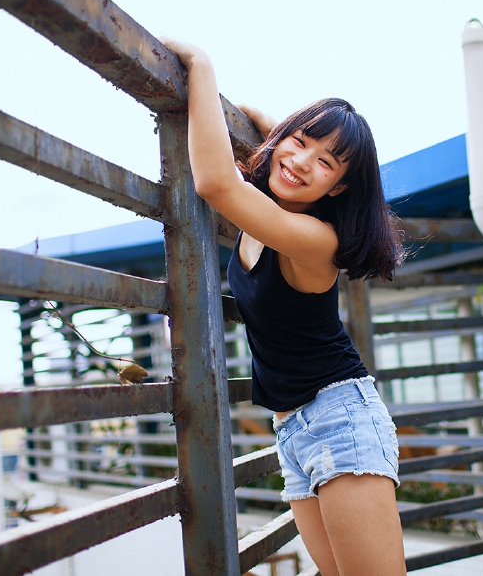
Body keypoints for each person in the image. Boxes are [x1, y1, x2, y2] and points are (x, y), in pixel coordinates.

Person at [162, 38, 407, 576]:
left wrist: (200, 65)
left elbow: (215, 182)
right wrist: (267, 130)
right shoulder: (270, 207)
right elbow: (284, 160)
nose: (300, 162)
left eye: (325, 164)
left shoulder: (315, 240)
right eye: (297, 142)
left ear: (341, 188)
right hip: (293, 430)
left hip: (339, 419)